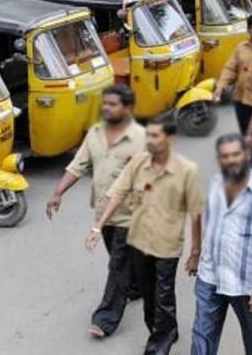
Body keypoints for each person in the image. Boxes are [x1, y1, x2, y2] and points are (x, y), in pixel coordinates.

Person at [86, 116, 204, 355]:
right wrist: (98, 227)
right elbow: (117, 194)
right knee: (149, 297)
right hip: (138, 242)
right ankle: (166, 330)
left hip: (167, 245)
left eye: (155, 136)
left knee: (163, 295)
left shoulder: (186, 171)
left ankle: (158, 345)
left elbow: (196, 214)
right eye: (148, 135)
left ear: (170, 138)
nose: (149, 140)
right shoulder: (138, 163)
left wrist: (195, 252)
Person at [46, 84, 145, 338]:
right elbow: (77, 166)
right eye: (105, 103)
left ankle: (105, 318)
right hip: (103, 212)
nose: (106, 108)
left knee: (117, 264)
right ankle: (137, 286)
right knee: (119, 258)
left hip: (129, 214)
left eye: (113, 104)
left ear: (127, 108)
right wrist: (58, 192)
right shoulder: (95, 134)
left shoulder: (141, 139)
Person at [190, 133, 252, 355]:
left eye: (235, 154)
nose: (230, 160)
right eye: (225, 156)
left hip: (248, 283)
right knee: (202, 335)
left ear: (247, 154)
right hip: (210, 275)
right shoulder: (215, 185)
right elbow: (201, 216)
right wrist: (196, 252)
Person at [214, 14, 252, 171]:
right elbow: (230, 69)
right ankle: (244, 166)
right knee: (243, 135)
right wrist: (220, 87)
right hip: (240, 100)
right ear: (248, 30)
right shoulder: (240, 48)